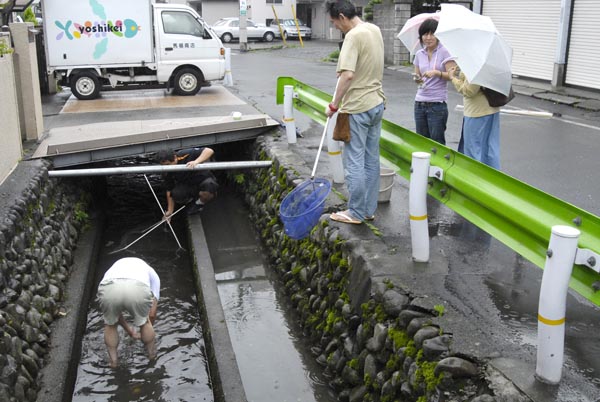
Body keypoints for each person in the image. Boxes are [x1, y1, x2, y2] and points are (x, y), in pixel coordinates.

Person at [325, 0, 386, 225]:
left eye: (334, 22)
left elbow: (348, 75)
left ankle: (356, 212)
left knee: (354, 162)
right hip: (376, 103)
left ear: (342, 16)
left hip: (358, 108)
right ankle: (368, 209)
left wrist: (333, 105)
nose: (335, 27)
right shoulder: (374, 29)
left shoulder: (352, 36)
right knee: (371, 160)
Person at [97, 257, 160, 368]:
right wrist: (144, 328)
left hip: (109, 286)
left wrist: (130, 331)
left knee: (110, 325)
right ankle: (151, 357)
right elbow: (152, 314)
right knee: (145, 323)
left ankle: (114, 362)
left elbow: (116, 315)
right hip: (138, 287)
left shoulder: (114, 267)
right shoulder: (152, 273)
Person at [412, 18, 456, 145]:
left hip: (437, 104)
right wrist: (417, 79)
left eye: (432, 34)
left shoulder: (445, 52)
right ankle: (423, 166)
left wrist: (437, 73)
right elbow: (417, 75)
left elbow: (451, 75)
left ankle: (437, 166)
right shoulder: (419, 54)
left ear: (438, 36)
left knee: (437, 143)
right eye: (425, 34)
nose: (428, 37)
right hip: (419, 103)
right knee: (421, 142)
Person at [448, 66, 501, 169]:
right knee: (489, 148)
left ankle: (474, 178)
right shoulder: (489, 63)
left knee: (473, 149)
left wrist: (452, 78)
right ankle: (492, 179)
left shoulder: (476, 65)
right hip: (492, 109)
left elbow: (469, 90)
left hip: (476, 112)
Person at [156, 147, 218, 217]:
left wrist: (196, 161)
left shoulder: (185, 154)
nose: (166, 168)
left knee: (210, 186)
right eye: (163, 165)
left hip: (202, 179)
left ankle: (199, 203)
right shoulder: (166, 172)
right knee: (176, 194)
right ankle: (190, 200)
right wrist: (170, 211)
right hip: (187, 184)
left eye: (168, 165)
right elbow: (169, 189)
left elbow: (209, 150)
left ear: (175, 158)